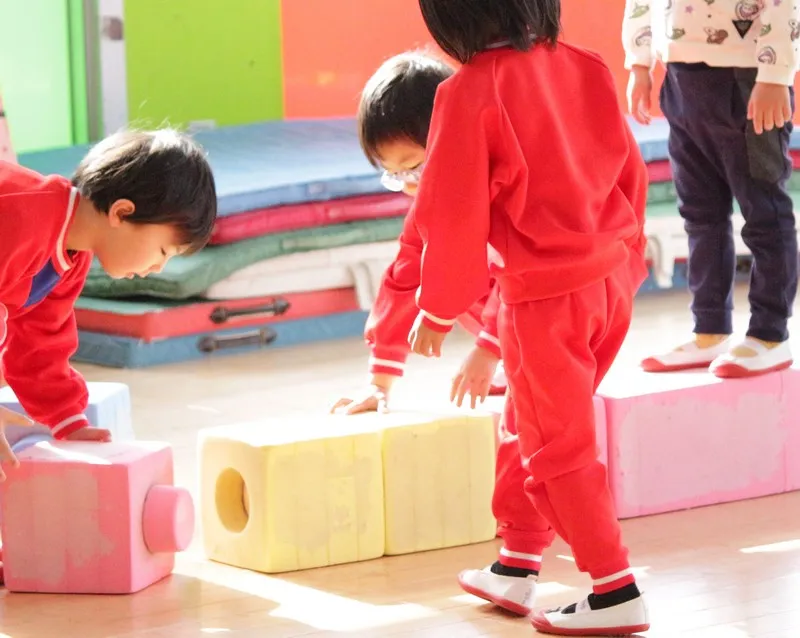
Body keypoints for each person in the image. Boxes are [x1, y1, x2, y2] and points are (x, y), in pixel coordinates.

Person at [407, 0, 651, 634]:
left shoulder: (468, 91)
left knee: (555, 444)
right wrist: (629, 254)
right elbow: (631, 171)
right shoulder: (587, 65)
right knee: (529, 420)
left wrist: (437, 307)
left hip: (545, 299)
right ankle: (517, 565)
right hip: (609, 282)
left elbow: (453, 210)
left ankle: (613, 587)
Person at [334, 52, 547, 617]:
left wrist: (487, 351)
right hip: (507, 315)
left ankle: (530, 552)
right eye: (394, 174)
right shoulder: (427, 210)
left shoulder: (504, 194)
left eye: (416, 168)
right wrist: (380, 382)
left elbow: (526, 276)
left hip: (552, 307)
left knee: (533, 427)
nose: (407, 187)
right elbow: (403, 282)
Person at [0, 128, 217, 449]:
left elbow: (40, 342)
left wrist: (67, 419)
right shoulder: (26, 216)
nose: (158, 268)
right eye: (163, 252)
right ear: (121, 213)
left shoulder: (70, 258)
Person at [625, 0, 799, 377]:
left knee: (764, 212)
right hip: (680, 79)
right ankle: (710, 329)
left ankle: (770, 334)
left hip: (747, 78)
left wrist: (776, 74)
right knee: (700, 214)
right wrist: (639, 63)